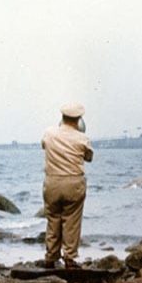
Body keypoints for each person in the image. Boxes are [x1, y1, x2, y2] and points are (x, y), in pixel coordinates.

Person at [41, 102, 94, 269]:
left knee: (53, 219)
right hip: (73, 182)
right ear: (78, 119)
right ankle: (69, 258)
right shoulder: (83, 138)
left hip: (52, 182)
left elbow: (44, 145)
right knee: (71, 220)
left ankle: (50, 257)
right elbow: (89, 157)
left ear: (62, 117)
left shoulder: (49, 133)